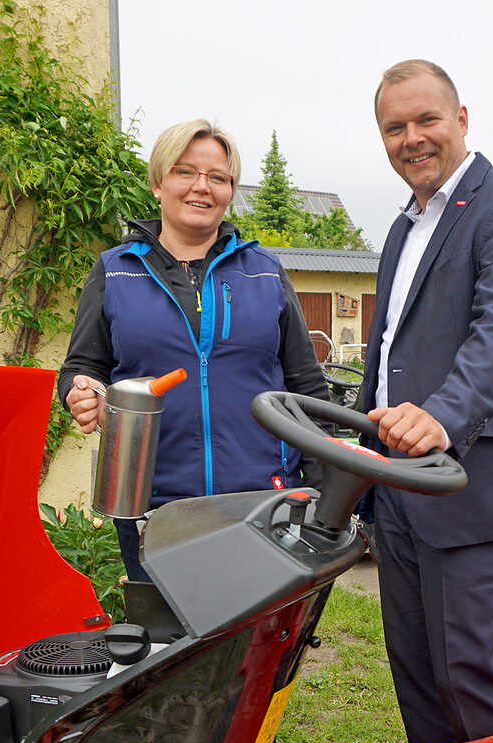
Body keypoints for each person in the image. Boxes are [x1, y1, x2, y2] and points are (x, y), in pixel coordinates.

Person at [359, 60, 493, 743]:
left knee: (466, 675)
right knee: (415, 674)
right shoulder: (400, 229)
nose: (411, 138)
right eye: (394, 127)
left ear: (461, 119)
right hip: (396, 480)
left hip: (464, 476)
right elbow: (387, 351)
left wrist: (442, 414)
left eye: (426, 120)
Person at [58, 119, 329, 580]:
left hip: (263, 504)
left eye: (218, 177)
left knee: (258, 647)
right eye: (185, 172)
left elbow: (307, 387)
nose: (202, 187)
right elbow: (82, 366)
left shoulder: (264, 272)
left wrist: (322, 493)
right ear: (157, 184)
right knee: (172, 643)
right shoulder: (115, 271)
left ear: (229, 191)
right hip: (154, 508)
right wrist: (81, 392)